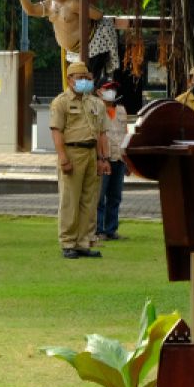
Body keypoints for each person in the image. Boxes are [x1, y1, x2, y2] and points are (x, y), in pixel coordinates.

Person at [50, 61, 109, 259]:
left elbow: (102, 133)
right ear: (69, 79)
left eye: (87, 78)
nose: (84, 81)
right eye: (79, 77)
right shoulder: (61, 102)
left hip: (92, 153)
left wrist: (103, 158)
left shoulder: (96, 103)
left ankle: (84, 242)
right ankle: (68, 242)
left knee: (89, 200)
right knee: (70, 200)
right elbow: (57, 132)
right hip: (72, 152)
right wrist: (63, 157)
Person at [95, 77, 128, 242]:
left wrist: (127, 159)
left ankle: (111, 229)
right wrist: (99, 158)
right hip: (103, 158)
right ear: (98, 91)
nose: (111, 92)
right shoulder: (95, 110)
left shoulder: (121, 110)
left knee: (115, 197)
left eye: (113, 88)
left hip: (119, 159)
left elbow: (125, 133)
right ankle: (98, 230)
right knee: (99, 197)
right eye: (108, 88)